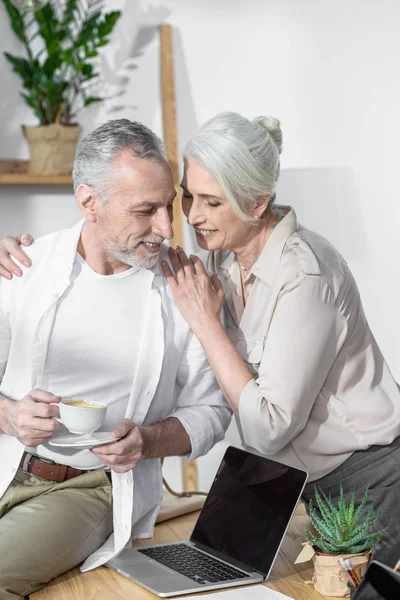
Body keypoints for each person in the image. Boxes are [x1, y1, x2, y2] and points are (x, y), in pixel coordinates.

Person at [3, 113, 400, 567]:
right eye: (188, 197)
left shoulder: (303, 276)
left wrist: (204, 324)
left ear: (256, 202)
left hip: (365, 475)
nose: (185, 220)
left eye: (210, 202)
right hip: (285, 478)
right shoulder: (219, 266)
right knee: (200, 574)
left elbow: (263, 429)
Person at [0, 119, 231, 599]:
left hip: (88, 490)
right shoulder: (24, 268)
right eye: (145, 211)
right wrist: (10, 414)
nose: (167, 229)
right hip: (8, 465)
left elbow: (212, 412)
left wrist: (147, 441)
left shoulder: (183, 291)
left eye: (168, 206)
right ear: (89, 202)